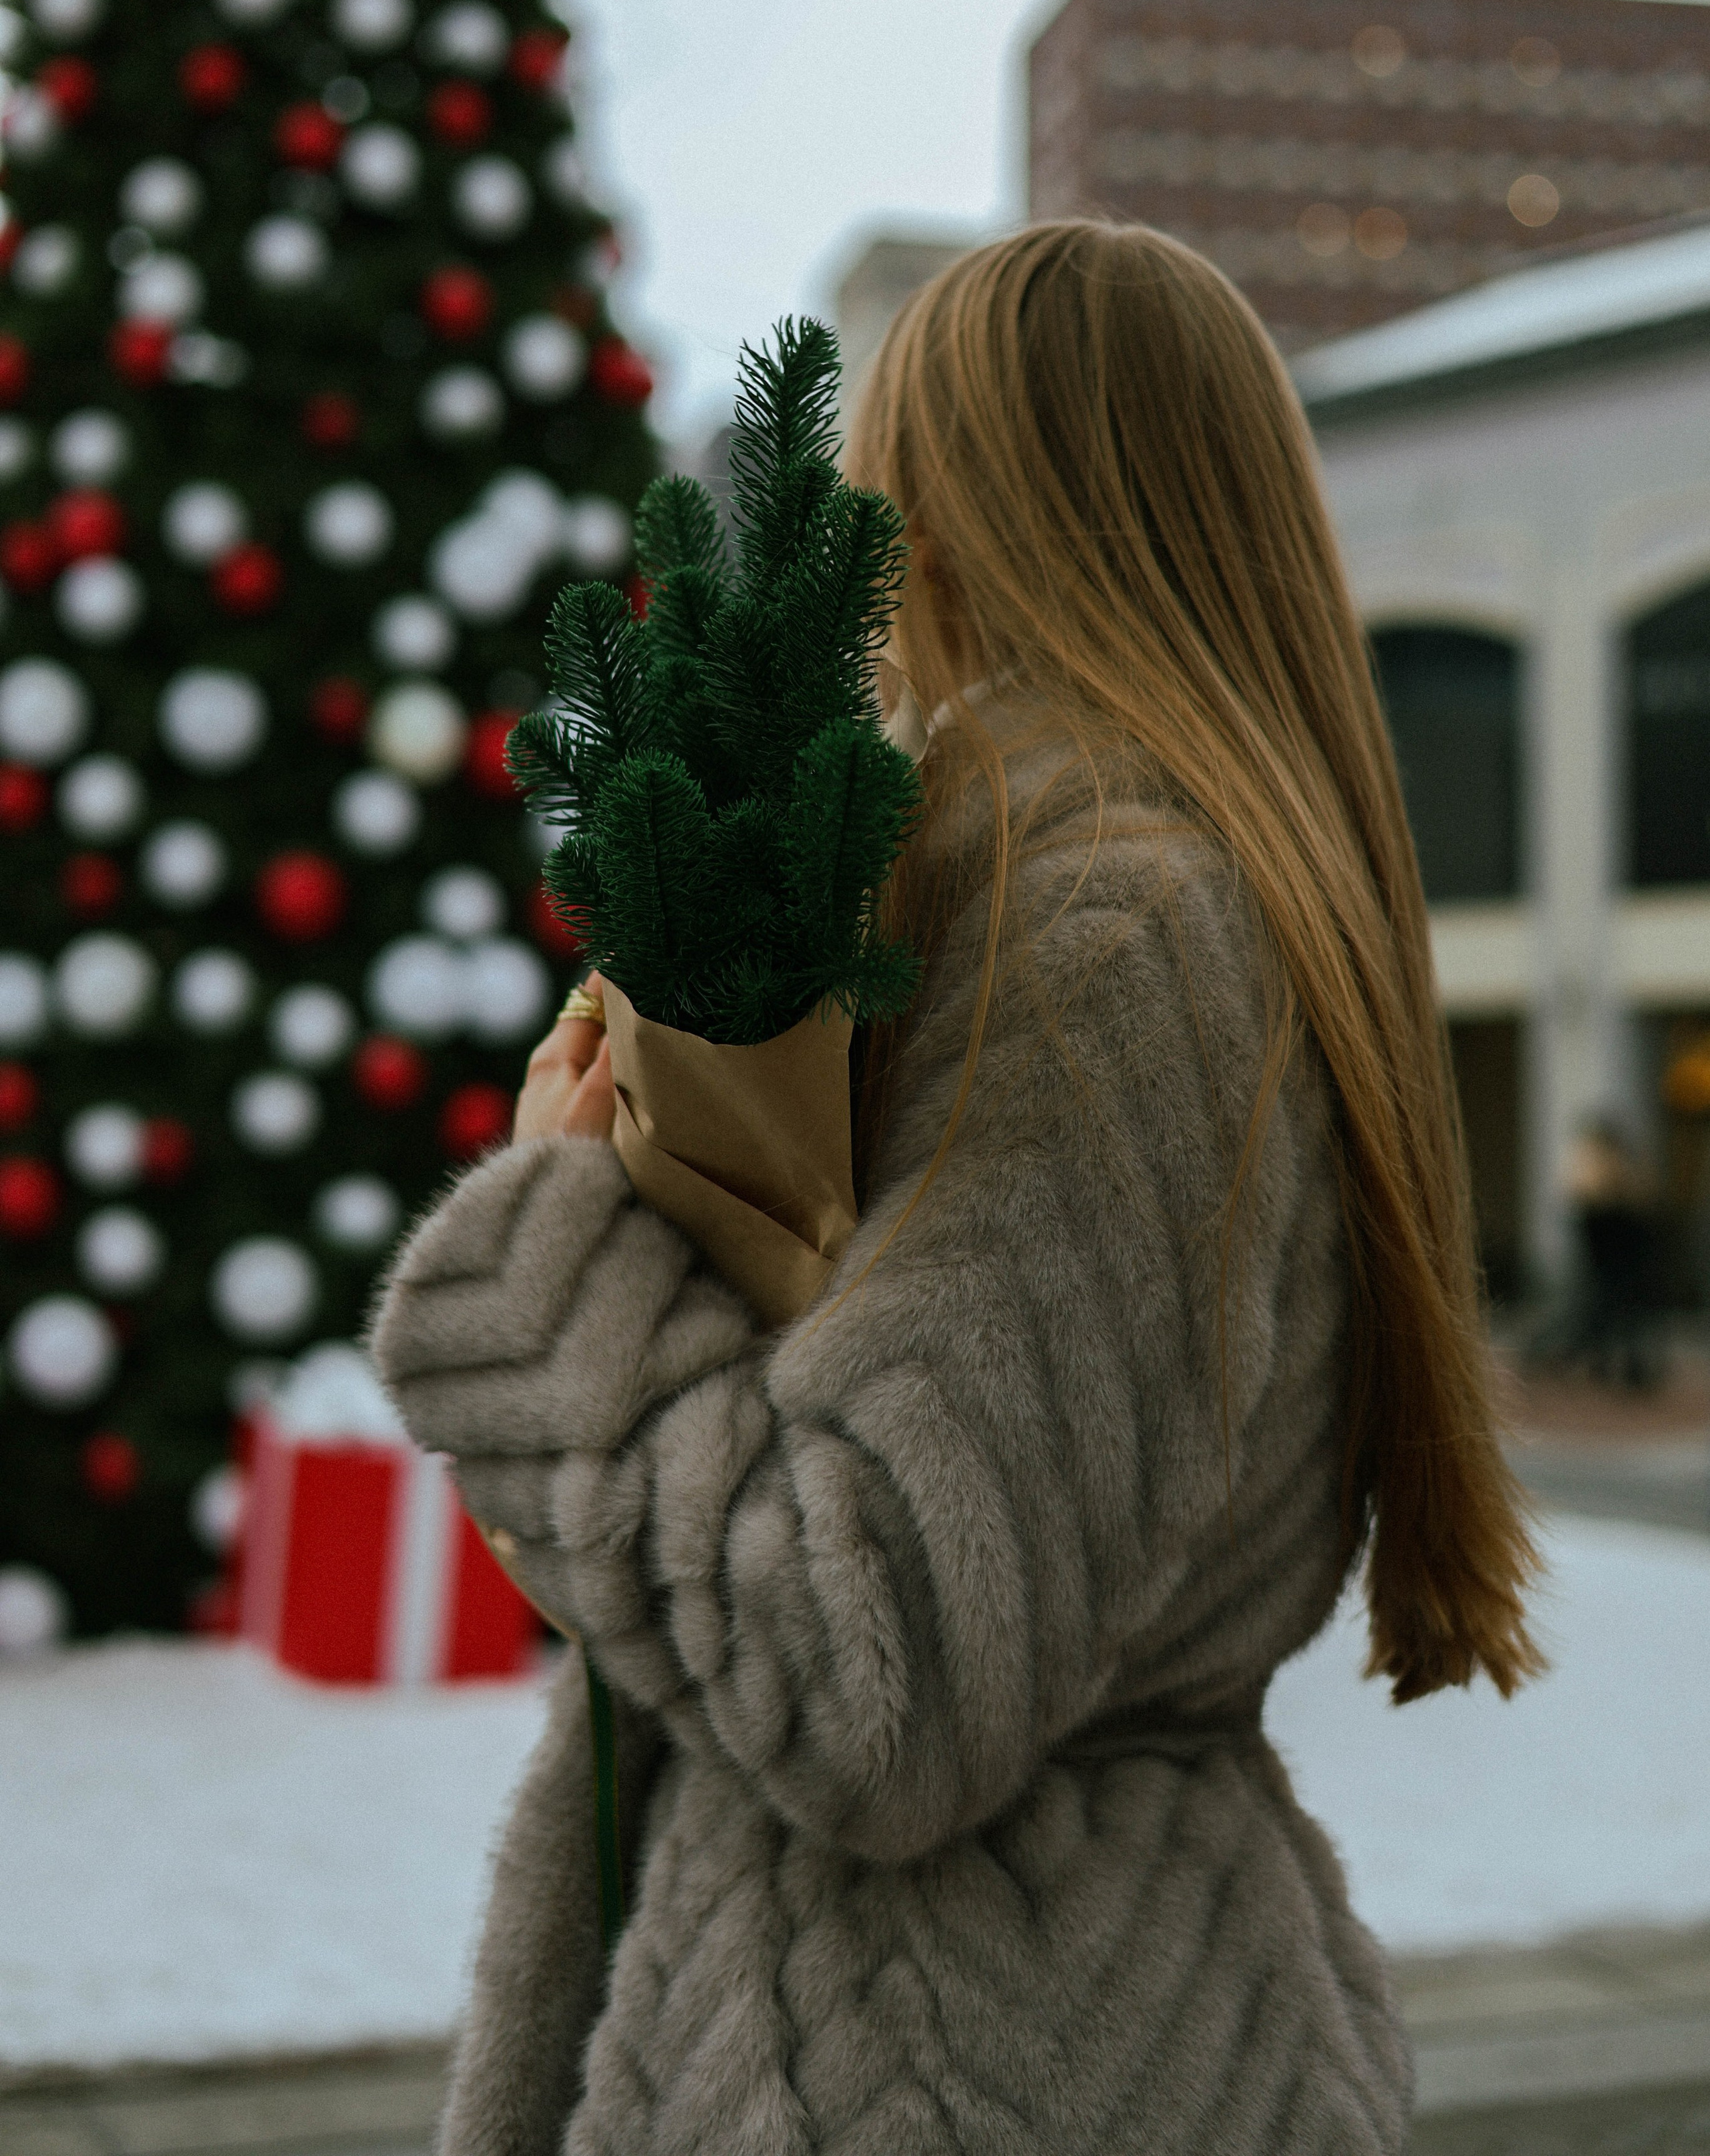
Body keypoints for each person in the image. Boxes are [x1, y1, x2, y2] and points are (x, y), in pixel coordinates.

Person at [372, 222, 1541, 2156]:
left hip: (953, 2056)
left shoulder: (1103, 926)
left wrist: (561, 1256)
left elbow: (877, 1671)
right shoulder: (1153, 885)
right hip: (1071, 2023)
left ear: (938, 504)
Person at [1563, 1116, 1659, 1390]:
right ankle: (1611, 1363)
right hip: (1609, 1254)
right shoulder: (1598, 1168)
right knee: (1610, 1308)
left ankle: (1620, 1364)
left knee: (1617, 1310)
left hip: (1618, 1256)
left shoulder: (1617, 1167)